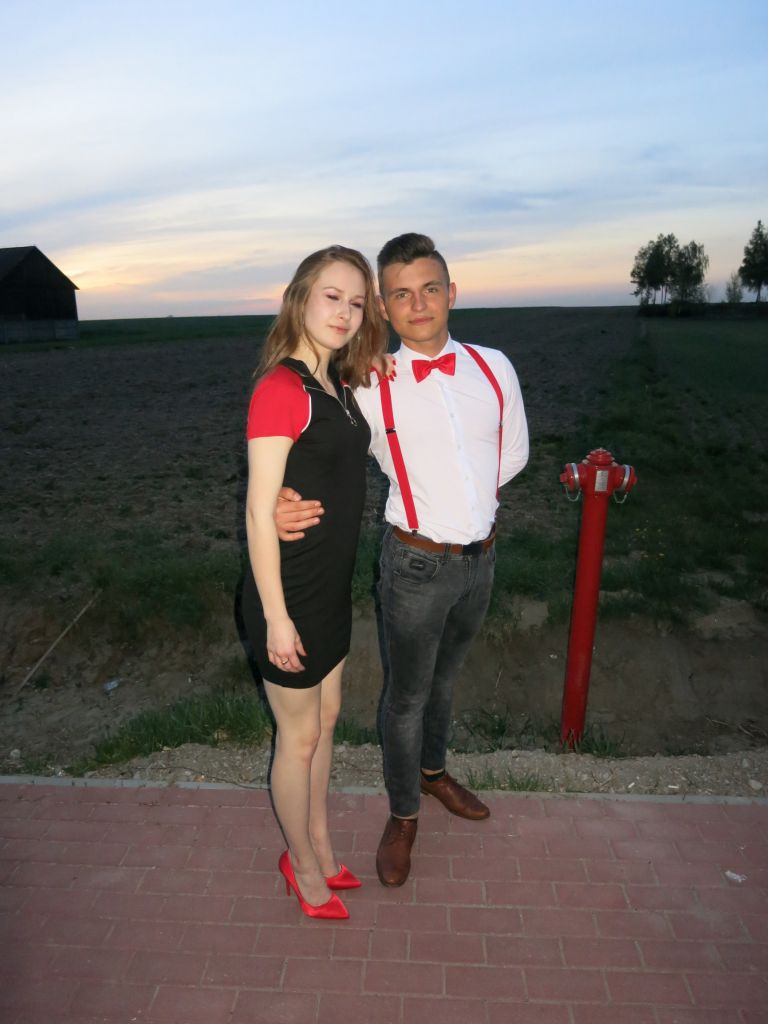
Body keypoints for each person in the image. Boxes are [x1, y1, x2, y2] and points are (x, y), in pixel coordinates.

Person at [276, 233, 529, 887]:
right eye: (401, 294)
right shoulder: (366, 383)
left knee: (446, 681)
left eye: (430, 288)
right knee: (408, 696)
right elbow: (316, 449)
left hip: (481, 560)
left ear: (452, 293)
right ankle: (403, 813)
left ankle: (435, 773)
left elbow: (513, 455)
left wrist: (468, 505)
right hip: (414, 566)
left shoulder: (495, 367)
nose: (419, 304)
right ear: (384, 308)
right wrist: (279, 499)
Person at [242, 244, 388, 918]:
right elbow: (257, 509)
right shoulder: (282, 389)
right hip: (291, 593)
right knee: (297, 739)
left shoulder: (339, 389)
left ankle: (322, 844)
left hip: (330, 589)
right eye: (332, 297)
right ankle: (300, 864)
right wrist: (276, 617)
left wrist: (378, 361)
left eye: (356, 303)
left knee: (326, 722)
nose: (345, 312)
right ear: (300, 298)